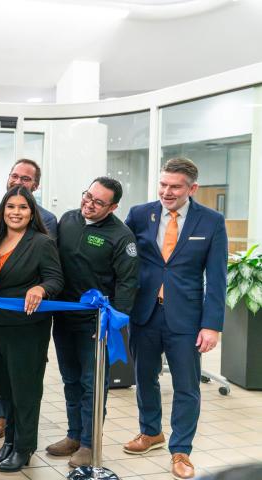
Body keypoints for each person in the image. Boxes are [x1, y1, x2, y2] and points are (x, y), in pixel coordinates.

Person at [123, 158, 227, 480]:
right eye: (163, 184)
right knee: (145, 378)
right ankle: (150, 432)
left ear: (192, 188)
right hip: (145, 313)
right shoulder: (140, 214)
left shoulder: (211, 221)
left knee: (186, 386)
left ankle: (181, 450)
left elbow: (217, 277)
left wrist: (212, 325)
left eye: (175, 186)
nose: (167, 192)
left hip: (187, 319)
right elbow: (122, 258)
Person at [46, 176, 138, 468]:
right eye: (88, 196)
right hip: (64, 317)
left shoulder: (121, 236)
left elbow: (127, 283)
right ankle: (74, 435)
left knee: (92, 384)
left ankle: (89, 442)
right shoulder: (68, 220)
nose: (89, 204)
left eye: (98, 202)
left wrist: (115, 326)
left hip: (96, 325)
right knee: (70, 380)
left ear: (113, 207)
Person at [0, 186, 64, 472]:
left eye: (23, 208)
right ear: (2, 210)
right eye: (11, 207)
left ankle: (24, 446)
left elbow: (56, 280)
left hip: (27, 329)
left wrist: (40, 288)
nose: (16, 212)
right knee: (5, 389)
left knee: (25, 391)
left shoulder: (41, 242)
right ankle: (10, 441)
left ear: (32, 213)